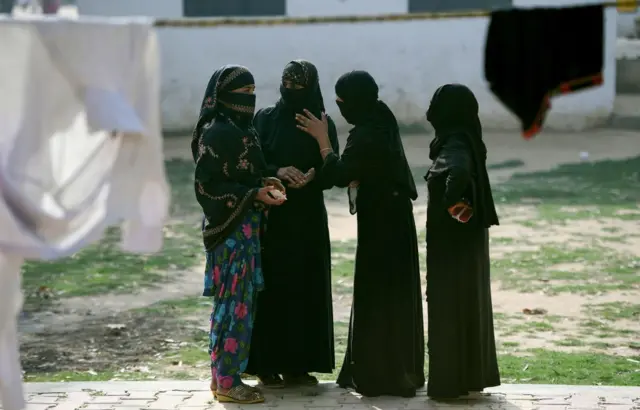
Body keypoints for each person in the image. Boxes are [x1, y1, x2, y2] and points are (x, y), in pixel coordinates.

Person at [295, 70, 425, 398]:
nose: (340, 108)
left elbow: (340, 173)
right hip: (393, 217)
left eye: (342, 102)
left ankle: (381, 374)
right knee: (392, 292)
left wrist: (323, 140)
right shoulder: (381, 115)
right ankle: (396, 369)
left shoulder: (366, 133)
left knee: (377, 292)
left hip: (383, 222)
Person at [192, 64, 286, 404]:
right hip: (229, 232)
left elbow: (244, 173)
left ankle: (222, 380)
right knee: (233, 308)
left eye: (252, 92)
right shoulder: (217, 132)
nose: (249, 100)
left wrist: (264, 183)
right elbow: (207, 186)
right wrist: (252, 195)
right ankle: (228, 382)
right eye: (242, 94)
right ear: (223, 97)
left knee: (237, 306)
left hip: (245, 230)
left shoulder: (239, 129)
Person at [245, 60, 338, 387]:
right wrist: (278, 171)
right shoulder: (266, 120)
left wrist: (314, 174)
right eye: (288, 84)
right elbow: (252, 161)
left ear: (310, 88)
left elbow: (333, 170)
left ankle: (300, 365)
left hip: (308, 215)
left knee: (305, 286)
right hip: (273, 216)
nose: (292, 91)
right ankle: (266, 364)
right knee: (272, 286)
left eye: (299, 86)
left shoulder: (322, 123)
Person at [423, 84, 501, 399]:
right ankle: (467, 375)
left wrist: (450, 204)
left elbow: (456, 172)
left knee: (448, 305)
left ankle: (448, 383)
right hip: (467, 240)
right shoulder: (467, 138)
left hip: (451, 243)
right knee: (467, 303)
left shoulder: (453, 142)